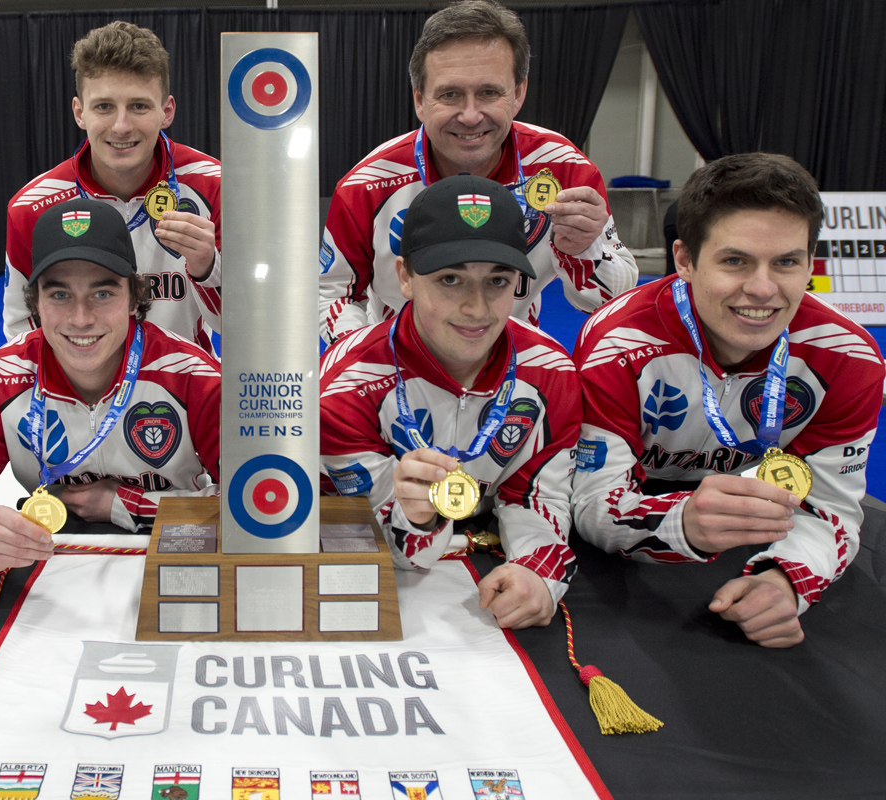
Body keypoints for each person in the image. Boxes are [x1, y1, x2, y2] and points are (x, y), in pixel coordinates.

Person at [572, 152, 885, 648]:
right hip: (643, 517)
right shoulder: (618, 344)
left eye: (786, 262)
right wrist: (684, 524)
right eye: (735, 261)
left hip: (763, 520)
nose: (762, 289)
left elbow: (831, 509)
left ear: (810, 262)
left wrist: (786, 580)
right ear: (684, 261)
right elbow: (590, 502)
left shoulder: (849, 358)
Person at [320, 174, 581, 629]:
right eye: (450, 279)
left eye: (497, 281)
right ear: (404, 277)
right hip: (395, 589)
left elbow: (538, 496)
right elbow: (381, 542)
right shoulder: (345, 386)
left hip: (485, 569)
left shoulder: (551, 371)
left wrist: (540, 573)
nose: (477, 308)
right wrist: (417, 519)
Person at [0, 197, 221, 574]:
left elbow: (255, 506)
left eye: (102, 294)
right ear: (35, 302)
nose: (81, 318)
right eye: (59, 295)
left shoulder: (192, 376)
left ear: (135, 298)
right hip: (50, 568)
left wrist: (125, 505)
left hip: (175, 561)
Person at [318, 0, 637, 345]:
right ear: (420, 100)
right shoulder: (369, 185)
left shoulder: (563, 168)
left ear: (517, 93)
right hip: (399, 371)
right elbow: (332, 293)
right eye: (450, 94)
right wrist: (371, 358)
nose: (470, 116)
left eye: (488, 92)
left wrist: (582, 251)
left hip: (516, 371)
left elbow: (609, 301)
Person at [3, 21, 221, 354]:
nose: (121, 126)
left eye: (139, 106)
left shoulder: (214, 185)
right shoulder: (33, 207)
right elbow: (24, 330)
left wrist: (208, 269)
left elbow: (243, 326)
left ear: (167, 111)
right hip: (77, 393)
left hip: (182, 385)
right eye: (104, 106)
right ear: (79, 112)